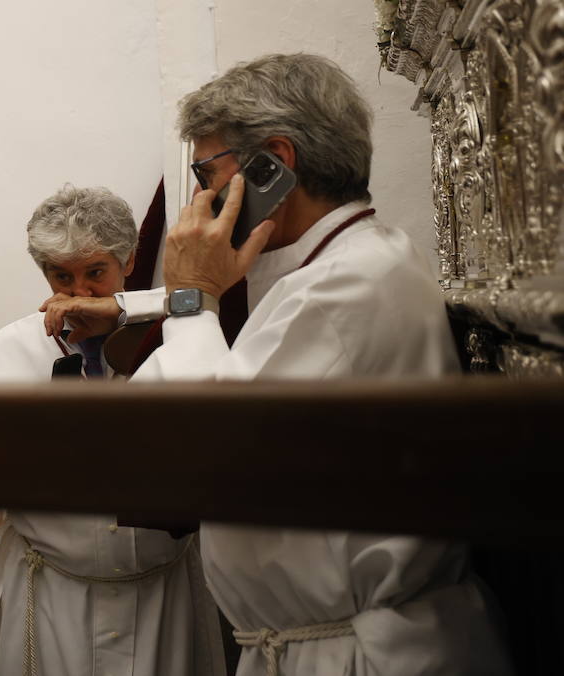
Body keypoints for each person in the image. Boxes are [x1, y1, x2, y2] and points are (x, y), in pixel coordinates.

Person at [46, 54, 511, 676]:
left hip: (354, 655)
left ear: (274, 164)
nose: (199, 196)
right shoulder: (352, 260)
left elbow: (191, 447)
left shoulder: (342, 288)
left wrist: (189, 295)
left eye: (206, 170)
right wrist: (148, 303)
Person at [0, 185, 225, 676]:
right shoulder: (8, 352)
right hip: (50, 591)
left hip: (160, 591)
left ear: (129, 260)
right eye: (61, 276)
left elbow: (202, 302)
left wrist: (128, 309)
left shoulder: (170, 333)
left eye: (96, 273)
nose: (81, 293)